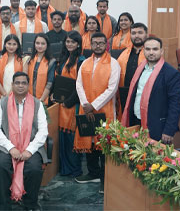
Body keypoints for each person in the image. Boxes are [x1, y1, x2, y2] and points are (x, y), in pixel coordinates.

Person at [0, 72, 48, 211]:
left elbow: (43, 131)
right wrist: (10, 148)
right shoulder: (3, 103)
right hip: (7, 145)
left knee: (34, 168)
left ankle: (30, 204)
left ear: (28, 85)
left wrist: (30, 150)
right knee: (2, 165)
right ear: (12, 85)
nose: (20, 86)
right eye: (17, 83)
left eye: (24, 83)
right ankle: (5, 204)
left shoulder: (37, 103)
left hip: (31, 145)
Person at [74, 32, 119, 191]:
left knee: (103, 144)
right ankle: (92, 173)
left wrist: (93, 105)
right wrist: (86, 104)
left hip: (104, 110)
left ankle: (104, 179)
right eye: (95, 43)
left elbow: (111, 89)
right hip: (86, 109)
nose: (98, 46)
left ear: (106, 45)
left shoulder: (113, 63)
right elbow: (79, 84)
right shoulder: (85, 62)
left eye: (101, 43)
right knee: (90, 141)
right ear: (90, 45)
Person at [121, 37, 180, 143]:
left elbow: (176, 104)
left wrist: (169, 130)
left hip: (157, 126)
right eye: (148, 49)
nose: (151, 52)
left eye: (155, 49)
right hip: (136, 121)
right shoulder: (140, 68)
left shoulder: (171, 74)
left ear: (161, 51)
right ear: (143, 50)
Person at [52, 31, 85, 178]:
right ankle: (64, 169)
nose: (69, 44)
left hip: (73, 105)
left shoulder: (82, 60)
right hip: (60, 104)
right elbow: (57, 80)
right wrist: (54, 95)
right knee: (62, 138)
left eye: (73, 42)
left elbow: (81, 85)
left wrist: (69, 101)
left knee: (72, 138)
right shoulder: (62, 59)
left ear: (78, 44)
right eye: (68, 41)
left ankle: (74, 169)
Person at [116, 23, 148, 110]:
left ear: (146, 34)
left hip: (143, 94)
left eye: (140, 33)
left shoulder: (151, 54)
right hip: (124, 93)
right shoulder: (123, 53)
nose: (137, 36)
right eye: (133, 33)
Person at [23, 33, 56, 105]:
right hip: (28, 99)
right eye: (37, 43)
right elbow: (25, 80)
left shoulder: (51, 62)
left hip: (42, 100)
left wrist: (41, 100)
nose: (40, 46)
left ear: (47, 45)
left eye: (43, 43)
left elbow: (49, 84)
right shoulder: (29, 60)